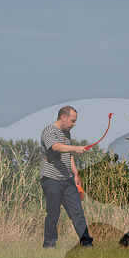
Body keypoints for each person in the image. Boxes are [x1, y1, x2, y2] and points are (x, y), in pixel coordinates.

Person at [40, 106, 93, 248]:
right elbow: (56, 147)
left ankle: (87, 244)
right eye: (72, 121)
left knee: (78, 213)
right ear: (63, 118)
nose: (74, 124)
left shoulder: (67, 133)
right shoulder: (49, 131)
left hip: (67, 179)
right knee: (53, 214)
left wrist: (75, 174)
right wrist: (76, 148)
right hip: (51, 178)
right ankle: (49, 245)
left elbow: (68, 156)